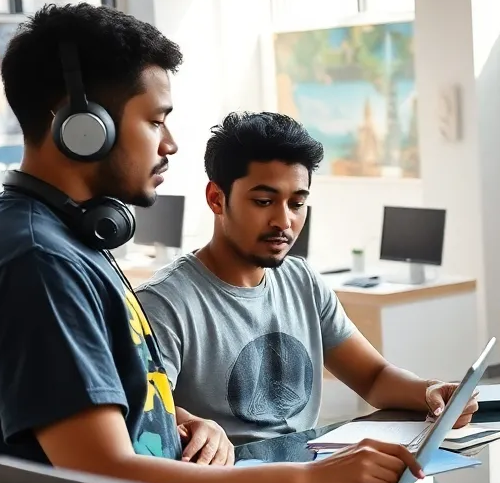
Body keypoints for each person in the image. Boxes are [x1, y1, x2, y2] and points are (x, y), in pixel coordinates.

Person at [0, 4, 428, 483]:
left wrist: (178, 416)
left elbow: (92, 407)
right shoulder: (36, 262)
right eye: (156, 119)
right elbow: (107, 474)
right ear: (82, 125)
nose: (169, 143)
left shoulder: (69, 242)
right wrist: (309, 479)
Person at [135, 111, 478, 447]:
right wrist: (188, 421)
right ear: (216, 199)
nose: (283, 221)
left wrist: (429, 391)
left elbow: (373, 378)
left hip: (310, 475)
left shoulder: (302, 282)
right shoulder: (163, 303)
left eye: (297, 203)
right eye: (264, 201)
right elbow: (140, 413)